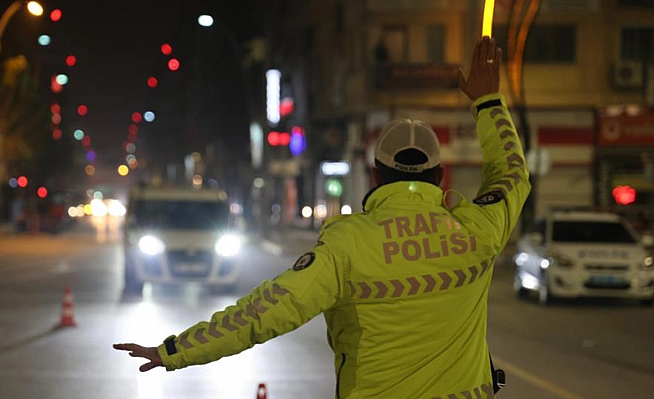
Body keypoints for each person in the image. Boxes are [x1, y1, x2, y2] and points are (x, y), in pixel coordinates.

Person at [114, 36, 530, 399]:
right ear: (439, 176)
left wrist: (175, 350)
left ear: (374, 175)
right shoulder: (477, 229)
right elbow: (512, 174)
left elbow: (266, 311)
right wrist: (488, 102)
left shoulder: (348, 244)